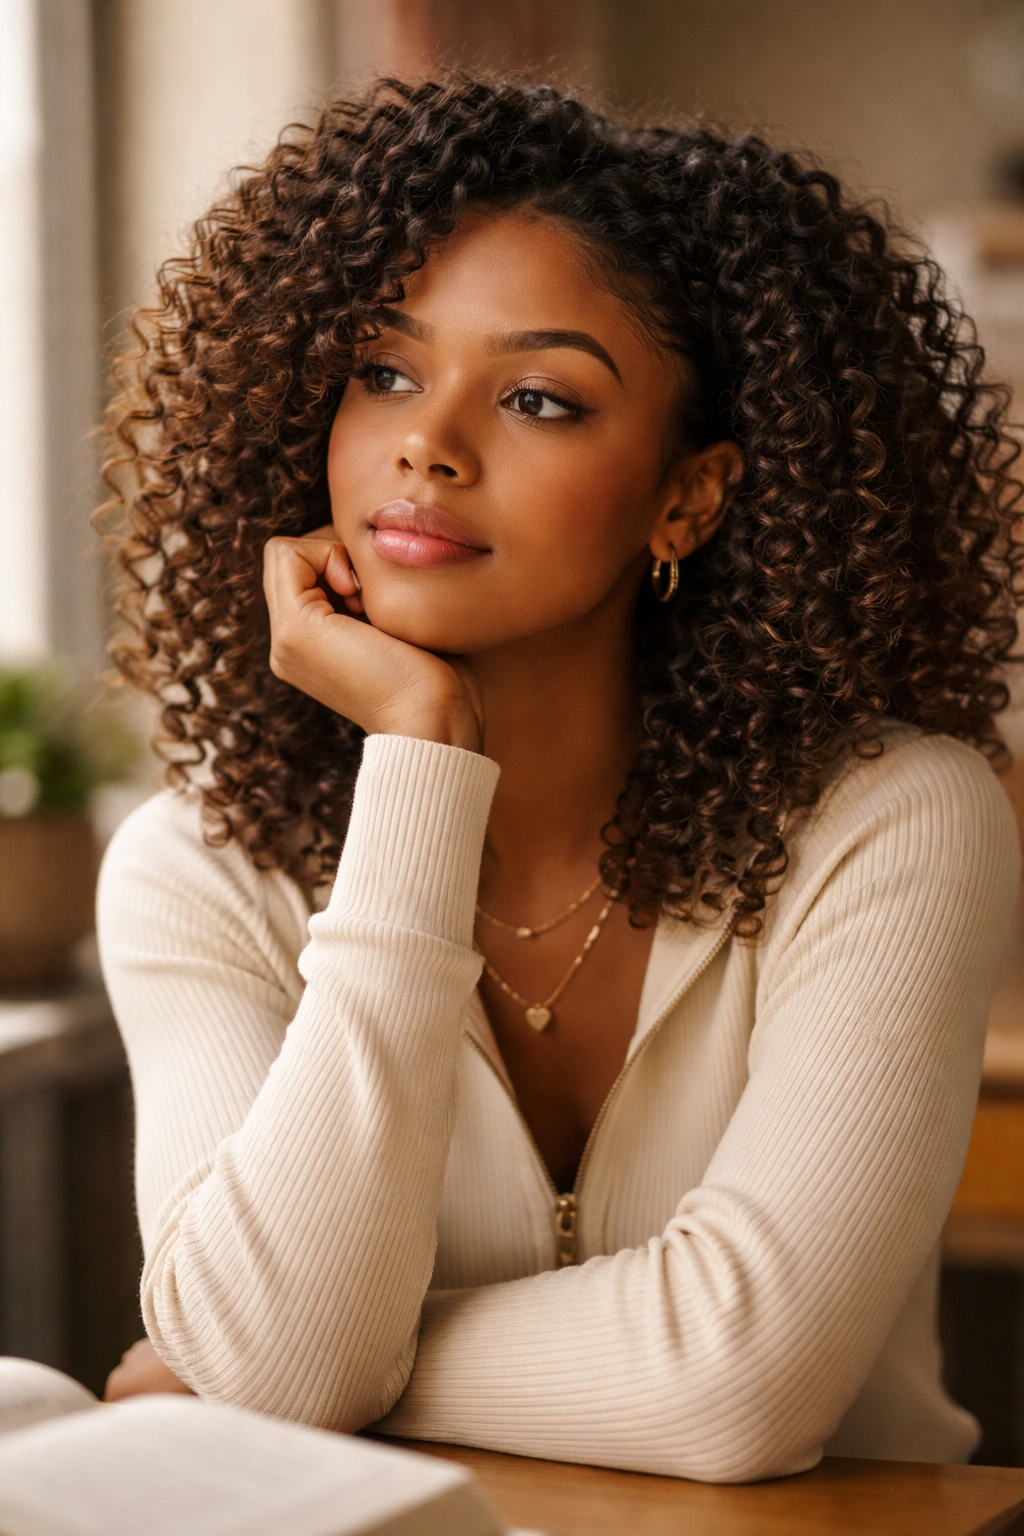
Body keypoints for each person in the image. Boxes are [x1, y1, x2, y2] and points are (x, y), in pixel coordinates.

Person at [98, 75, 1022, 1482]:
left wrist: (300, 1376)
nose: (429, 444)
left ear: (688, 495)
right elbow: (276, 1362)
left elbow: (746, 1388)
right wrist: (418, 755)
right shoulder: (199, 864)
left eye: (539, 398)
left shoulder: (893, 819)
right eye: (385, 371)